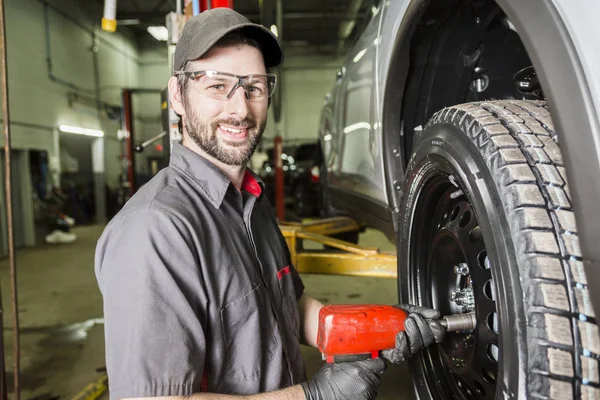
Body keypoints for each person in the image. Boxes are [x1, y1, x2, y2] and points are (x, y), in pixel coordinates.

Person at [94, 8, 444, 400]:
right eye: (217, 85)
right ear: (177, 94)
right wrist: (311, 397)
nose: (240, 109)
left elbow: (287, 309)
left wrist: (383, 324)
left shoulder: (251, 203)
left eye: (254, 87)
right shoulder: (153, 230)